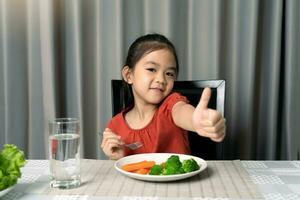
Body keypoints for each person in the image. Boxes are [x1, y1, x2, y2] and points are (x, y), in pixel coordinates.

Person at [101, 33, 226, 160]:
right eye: (151, 69)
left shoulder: (172, 105)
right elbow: (119, 171)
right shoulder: (114, 125)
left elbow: (182, 112)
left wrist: (197, 121)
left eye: (169, 73)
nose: (161, 79)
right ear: (128, 75)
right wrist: (116, 157)